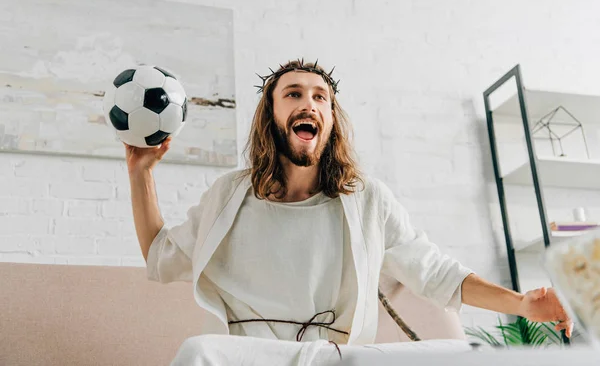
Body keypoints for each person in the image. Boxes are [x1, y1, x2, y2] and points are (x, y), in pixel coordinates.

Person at [125, 59, 573, 365]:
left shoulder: (368, 200)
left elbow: (435, 273)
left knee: (462, 354)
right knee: (199, 352)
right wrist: (140, 172)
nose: (309, 104)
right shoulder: (228, 196)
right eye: (294, 94)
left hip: (337, 358)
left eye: (321, 97)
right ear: (271, 115)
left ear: (331, 119)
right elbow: (161, 256)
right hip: (250, 358)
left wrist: (520, 303)